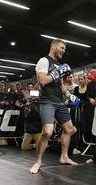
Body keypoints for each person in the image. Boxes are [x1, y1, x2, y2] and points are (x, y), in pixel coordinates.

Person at [29, 39, 78, 174]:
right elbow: (43, 81)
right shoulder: (44, 61)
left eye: (64, 49)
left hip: (60, 102)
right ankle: (38, 162)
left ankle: (64, 156)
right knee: (47, 132)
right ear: (54, 46)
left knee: (70, 129)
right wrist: (57, 72)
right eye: (62, 48)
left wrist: (69, 94)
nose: (63, 51)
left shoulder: (59, 65)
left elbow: (61, 87)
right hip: (47, 101)